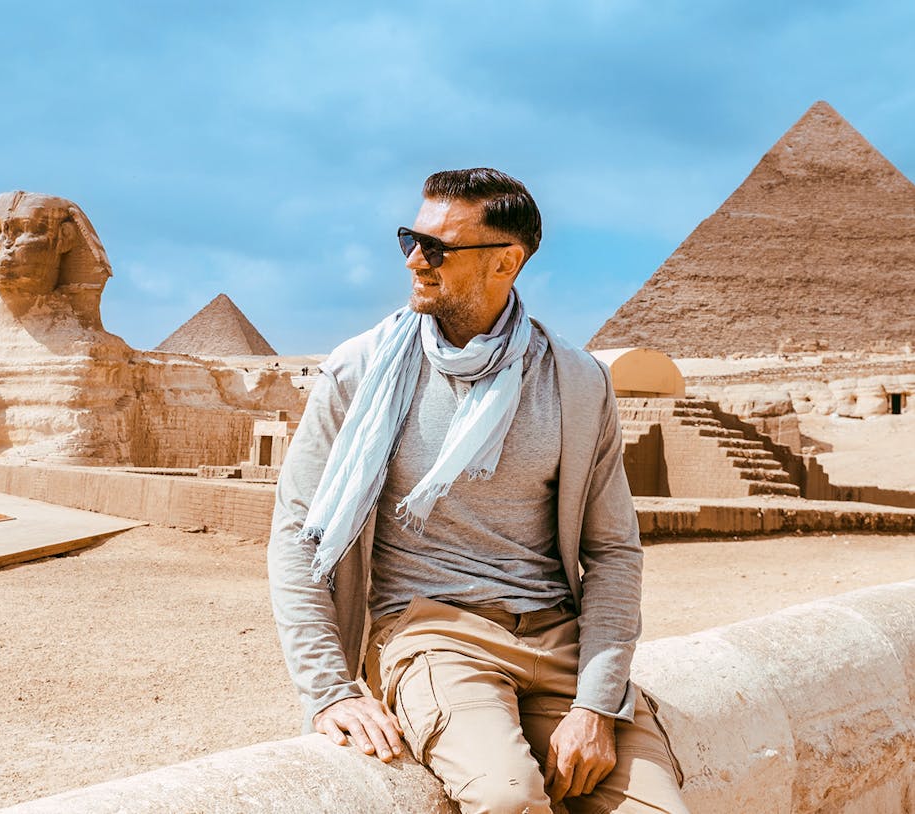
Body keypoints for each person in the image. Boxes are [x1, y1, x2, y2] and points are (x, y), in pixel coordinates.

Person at [268, 168, 687, 814]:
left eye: (436, 248)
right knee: (508, 799)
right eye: (410, 238)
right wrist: (328, 689)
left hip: (558, 638)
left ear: (505, 263)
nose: (414, 259)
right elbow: (298, 531)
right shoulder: (360, 372)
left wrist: (598, 704)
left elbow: (613, 553)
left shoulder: (576, 384)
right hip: (432, 633)